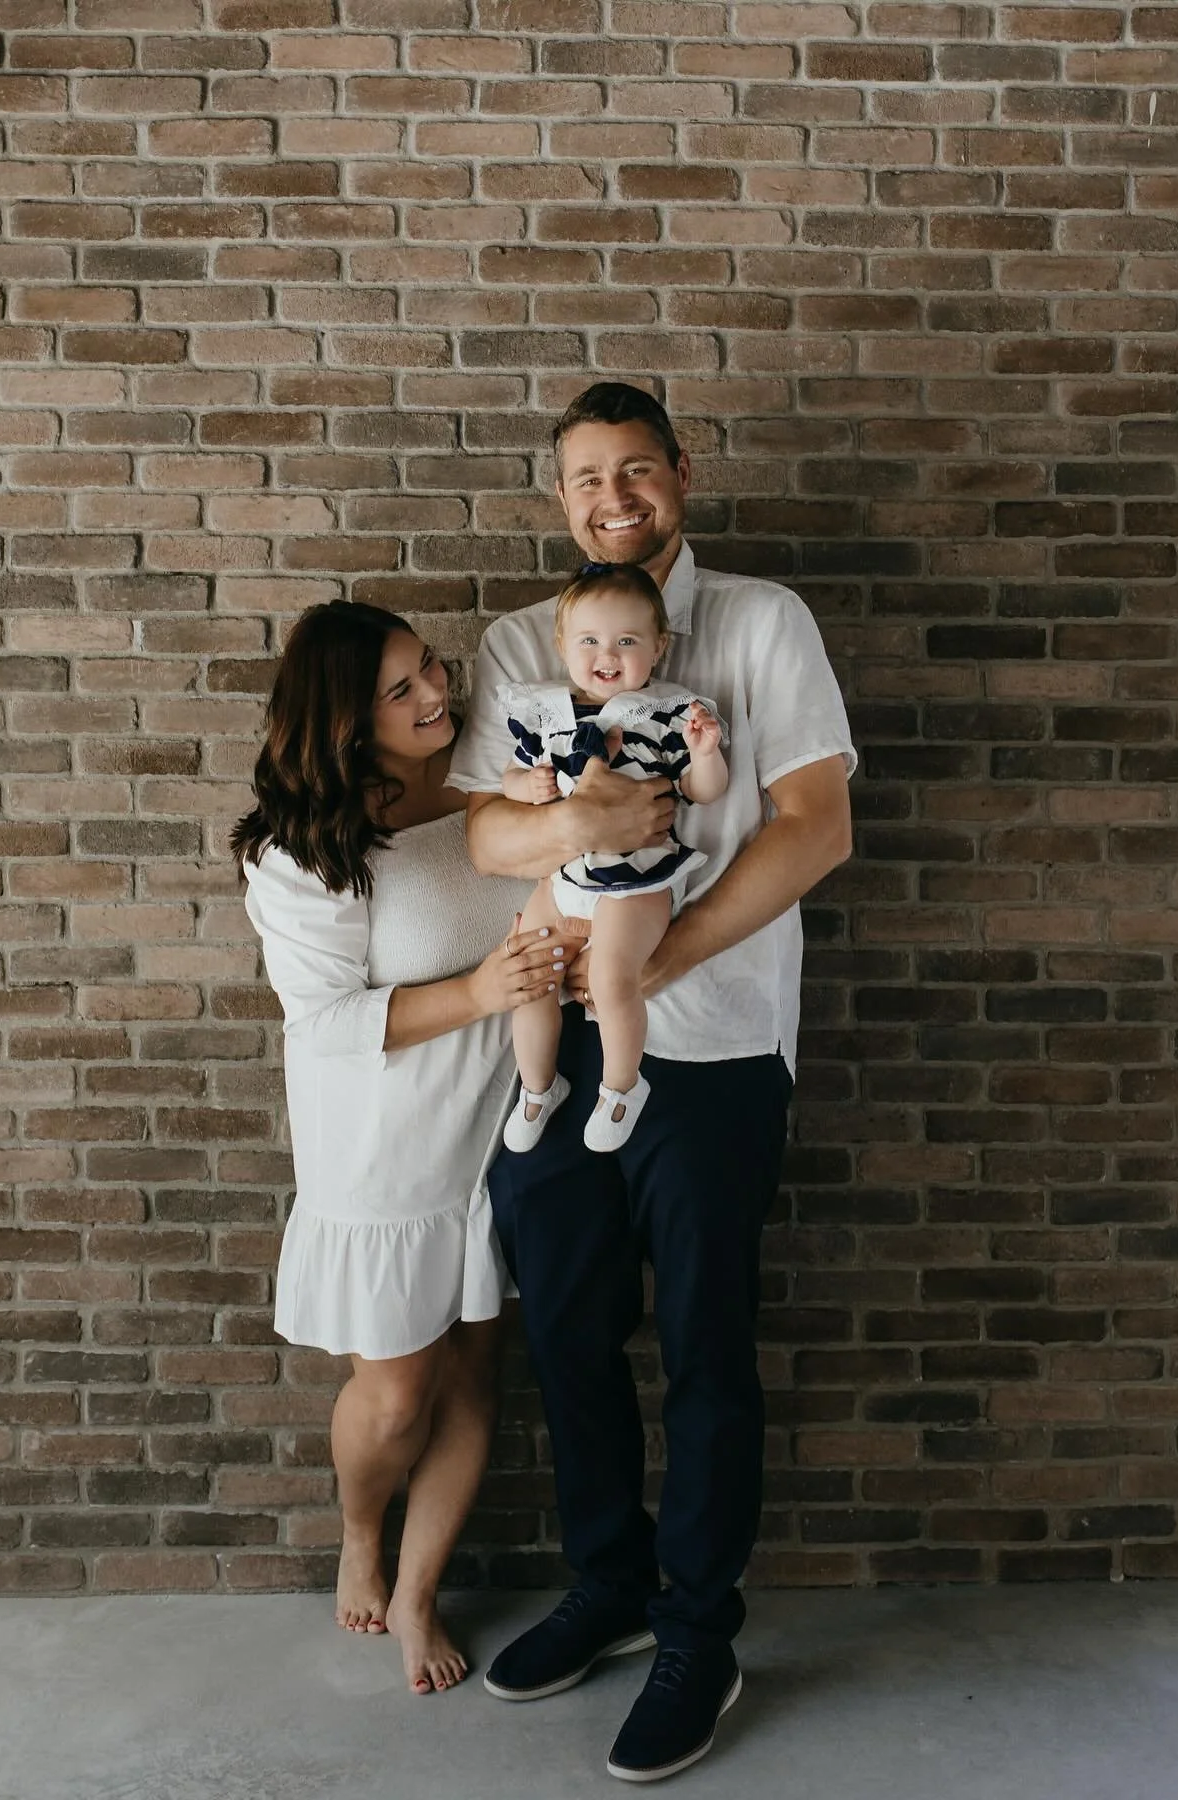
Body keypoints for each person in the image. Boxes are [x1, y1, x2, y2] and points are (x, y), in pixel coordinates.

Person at [447, 383, 855, 1782]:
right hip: (559, 1044)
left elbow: (816, 827)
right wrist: (576, 823)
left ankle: (699, 1633)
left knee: (704, 1349)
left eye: (637, 471)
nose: (613, 498)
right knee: (564, 1336)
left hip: (722, 1040)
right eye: (583, 479)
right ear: (556, 497)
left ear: (681, 474)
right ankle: (610, 1589)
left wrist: (656, 955)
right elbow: (487, 841)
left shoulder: (760, 623)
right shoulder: (520, 642)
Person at [231, 600, 574, 1697]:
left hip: (497, 1116)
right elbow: (323, 1021)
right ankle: (360, 1527)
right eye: (401, 690)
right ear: (344, 718)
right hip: (384, 1141)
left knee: (477, 1366)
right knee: (396, 1391)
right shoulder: (303, 848)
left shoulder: (486, 768)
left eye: (431, 667)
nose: (436, 695)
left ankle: (421, 1589)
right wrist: (477, 989)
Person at [498, 561, 728, 1155]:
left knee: (611, 975)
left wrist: (704, 754)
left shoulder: (666, 715)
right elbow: (512, 776)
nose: (609, 654)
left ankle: (622, 1085)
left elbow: (703, 792)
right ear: (562, 646)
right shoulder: (548, 715)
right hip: (568, 873)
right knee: (528, 972)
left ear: (658, 646)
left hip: (638, 876)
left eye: (627, 641)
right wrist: (528, 789)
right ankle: (537, 1086)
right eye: (591, 640)